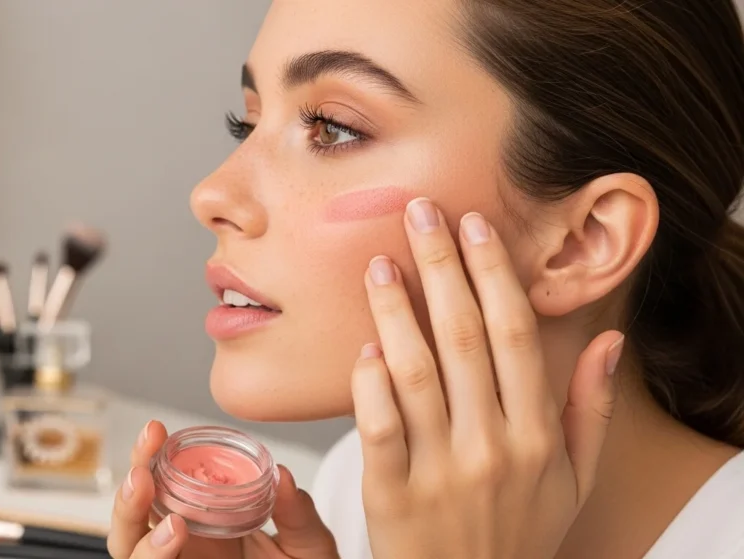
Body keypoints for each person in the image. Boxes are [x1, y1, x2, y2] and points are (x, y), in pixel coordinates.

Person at [107, 0, 744, 557]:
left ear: (585, 241)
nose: (212, 194)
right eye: (247, 123)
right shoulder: (362, 485)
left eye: (333, 128)